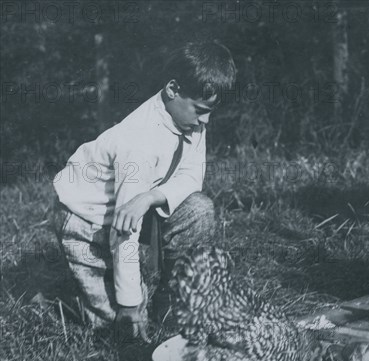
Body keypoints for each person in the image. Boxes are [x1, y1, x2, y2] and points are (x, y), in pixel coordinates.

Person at [52, 41, 236, 342]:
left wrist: (150, 197)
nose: (205, 121)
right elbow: (124, 231)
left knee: (199, 208)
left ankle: (173, 301)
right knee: (119, 329)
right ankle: (65, 292)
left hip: (134, 204)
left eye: (210, 112)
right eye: (201, 111)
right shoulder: (137, 142)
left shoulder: (191, 119)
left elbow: (192, 177)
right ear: (173, 89)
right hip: (85, 220)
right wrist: (129, 304)